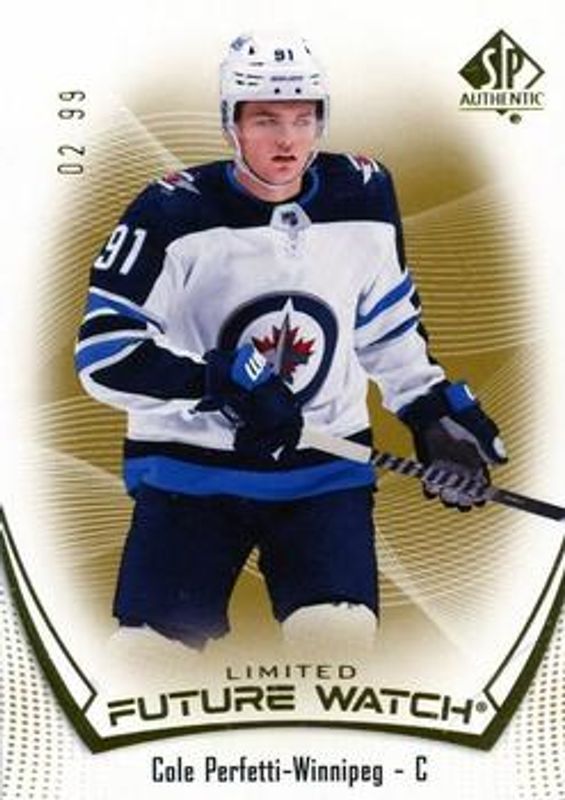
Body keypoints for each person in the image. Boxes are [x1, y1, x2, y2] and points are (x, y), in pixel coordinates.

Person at [75, 32, 507, 656]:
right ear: (231, 123)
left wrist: (430, 410)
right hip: (189, 472)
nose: (288, 140)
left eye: (304, 120)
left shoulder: (363, 193)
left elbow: (384, 324)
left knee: (339, 647)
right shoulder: (169, 212)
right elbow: (104, 353)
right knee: (146, 659)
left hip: (323, 468)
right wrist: (220, 383)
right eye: (266, 120)